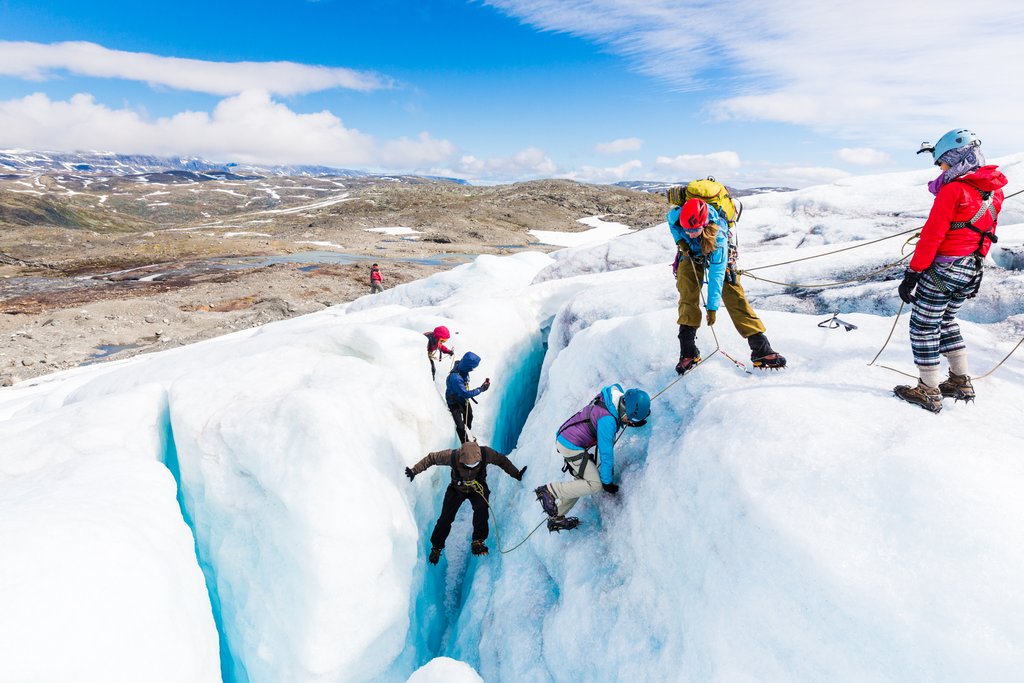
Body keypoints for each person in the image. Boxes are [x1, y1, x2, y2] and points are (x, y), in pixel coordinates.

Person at [894, 128, 1007, 413]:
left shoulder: (954, 190)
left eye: (942, 161)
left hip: (944, 267)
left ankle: (928, 389)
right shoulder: (993, 191)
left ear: (956, 158)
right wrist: (973, 265)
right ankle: (959, 380)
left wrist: (913, 273)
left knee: (923, 327)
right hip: (971, 267)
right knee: (946, 321)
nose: (940, 167)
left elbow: (933, 235)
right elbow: (986, 232)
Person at [668, 197, 786, 374]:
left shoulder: (719, 240)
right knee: (687, 295)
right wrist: (681, 240)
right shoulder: (677, 216)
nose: (690, 233)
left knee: (733, 294)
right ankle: (688, 352)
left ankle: (761, 349)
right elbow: (671, 222)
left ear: (705, 224)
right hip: (690, 252)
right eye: (687, 230)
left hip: (713, 249)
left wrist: (712, 308)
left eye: (694, 230)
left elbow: (716, 276)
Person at [535, 384, 650, 532]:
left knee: (580, 484)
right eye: (630, 419)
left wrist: (631, 417)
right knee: (594, 484)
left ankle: (556, 517)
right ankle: (550, 491)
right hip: (571, 445)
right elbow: (606, 453)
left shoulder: (614, 399)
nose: (629, 422)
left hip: (567, 437)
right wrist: (607, 482)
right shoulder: (608, 420)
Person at [406, 440, 526, 564]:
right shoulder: (452, 456)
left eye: (475, 465)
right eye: (468, 466)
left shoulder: (485, 453)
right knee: (445, 519)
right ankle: (436, 547)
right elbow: (432, 458)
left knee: (482, 510)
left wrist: (516, 474)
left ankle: (477, 541)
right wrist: (414, 470)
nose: (472, 467)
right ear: (461, 459)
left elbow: (502, 460)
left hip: (477, 488)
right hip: (456, 489)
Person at [445, 351, 490, 443]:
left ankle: (467, 431)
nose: (473, 369)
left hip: (461, 398)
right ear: (468, 366)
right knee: (460, 426)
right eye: (472, 367)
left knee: (469, 415)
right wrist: (481, 389)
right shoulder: (456, 378)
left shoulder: (462, 369)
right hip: (454, 402)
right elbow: (465, 393)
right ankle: (465, 442)